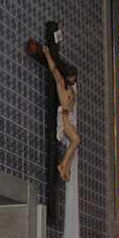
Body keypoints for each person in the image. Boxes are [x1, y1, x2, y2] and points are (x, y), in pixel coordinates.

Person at [44, 45, 80, 181]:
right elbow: (54, 69)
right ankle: (64, 166)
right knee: (76, 139)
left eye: (73, 76)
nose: (72, 78)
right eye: (70, 76)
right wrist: (47, 54)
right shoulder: (61, 84)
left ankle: (67, 167)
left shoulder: (70, 88)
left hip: (69, 117)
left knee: (75, 141)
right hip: (64, 115)